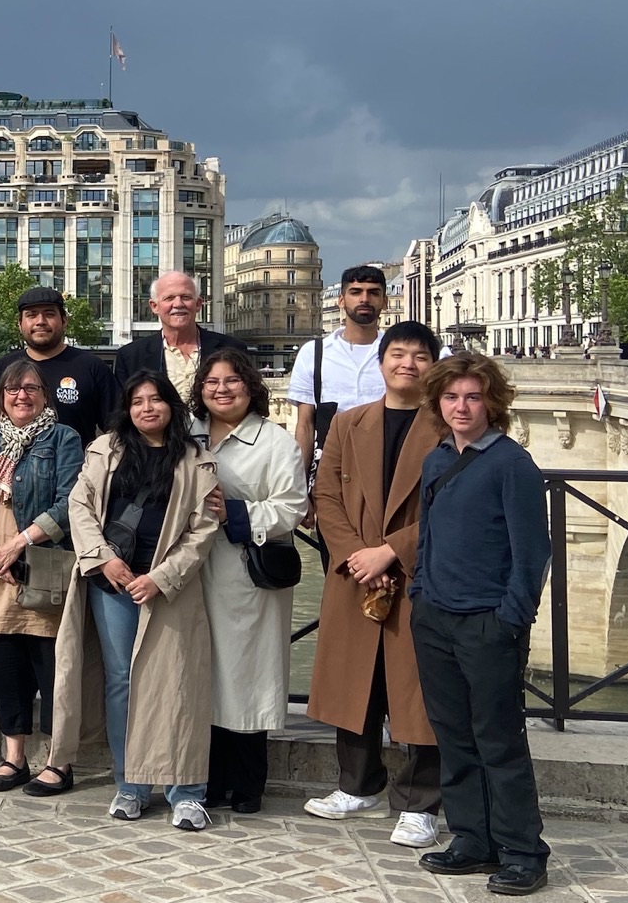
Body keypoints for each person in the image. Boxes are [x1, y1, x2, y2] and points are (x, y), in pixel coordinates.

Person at [44, 371, 219, 829]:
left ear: (171, 406)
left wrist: (161, 577)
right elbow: (79, 508)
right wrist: (103, 560)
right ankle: (131, 784)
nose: (147, 408)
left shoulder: (197, 459)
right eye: (137, 401)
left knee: (179, 683)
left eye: (156, 400)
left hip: (168, 585)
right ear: (127, 408)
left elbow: (203, 529)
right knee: (122, 682)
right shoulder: (104, 450)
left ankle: (186, 790)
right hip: (113, 583)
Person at [409, 353, 551, 895]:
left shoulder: (511, 464)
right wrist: (421, 590)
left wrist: (511, 618)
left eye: (472, 397)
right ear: (438, 404)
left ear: (492, 403)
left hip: (488, 621)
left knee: (499, 738)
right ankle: (472, 838)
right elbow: (428, 536)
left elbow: (532, 550)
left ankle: (522, 850)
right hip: (436, 617)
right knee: (454, 735)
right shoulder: (436, 459)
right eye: (451, 397)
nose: (461, 407)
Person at [307, 321, 445, 848]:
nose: (407, 363)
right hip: (356, 573)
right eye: (398, 354)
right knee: (354, 682)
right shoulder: (349, 422)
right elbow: (325, 496)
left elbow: (450, 503)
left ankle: (420, 803)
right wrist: (355, 555)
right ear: (381, 362)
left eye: (419, 356)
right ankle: (358, 784)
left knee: (417, 689)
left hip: (419, 571)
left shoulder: (445, 424)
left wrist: (393, 550)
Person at [188, 347, 305, 814]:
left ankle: (249, 781)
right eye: (212, 382)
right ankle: (208, 777)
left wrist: (236, 512)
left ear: (250, 386)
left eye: (232, 381)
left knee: (246, 676)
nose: (221, 389)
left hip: (244, 570)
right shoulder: (187, 434)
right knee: (202, 673)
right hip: (191, 570)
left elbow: (292, 507)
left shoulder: (275, 441)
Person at [0, 358, 84, 792]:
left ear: (45, 395)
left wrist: (17, 545)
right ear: (1, 397)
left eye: (31, 388)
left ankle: (58, 761)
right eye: (13, 389)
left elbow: (70, 502)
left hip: (42, 562)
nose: (21, 395)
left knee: (52, 666)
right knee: (4, 663)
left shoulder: (64, 438)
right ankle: (14, 758)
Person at [0, 286, 122, 447]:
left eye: (49, 314)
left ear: (64, 321)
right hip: (9, 469)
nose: (40, 321)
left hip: (77, 469)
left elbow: (117, 431)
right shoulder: (0, 370)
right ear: (19, 324)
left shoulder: (93, 368)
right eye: (31, 315)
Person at [289, 265, 391, 479]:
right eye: (356, 292)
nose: (364, 299)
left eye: (373, 292)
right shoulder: (314, 353)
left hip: (387, 465)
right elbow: (305, 426)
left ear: (385, 301)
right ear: (341, 301)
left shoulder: (397, 355)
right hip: (332, 469)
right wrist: (299, 487)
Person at [113, 272, 239, 403]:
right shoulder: (131, 357)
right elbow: (124, 411)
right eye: (169, 298)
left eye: (186, 297)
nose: (178, 304)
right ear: (154, 306)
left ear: (198, 304)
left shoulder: (232, 349)